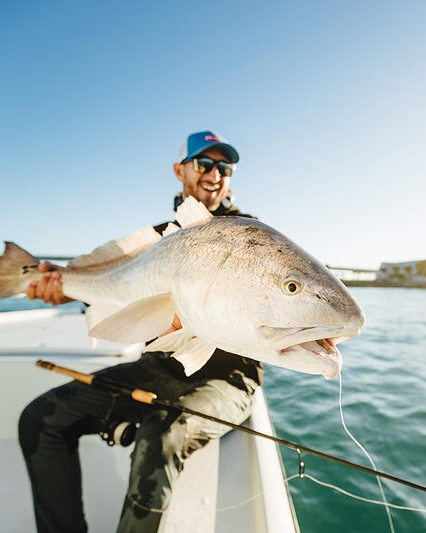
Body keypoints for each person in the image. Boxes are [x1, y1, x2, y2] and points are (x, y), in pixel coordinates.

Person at [18, 131, 263, 533]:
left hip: (228, 377)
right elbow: (118, 294)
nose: (215, 174)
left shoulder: (248, 234)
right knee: (39, 420)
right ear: (179, 170)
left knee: (162, 434)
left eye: (225, 167)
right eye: (204, 163)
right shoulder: (155, 239)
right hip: (158, 367)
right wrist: (67, 289)